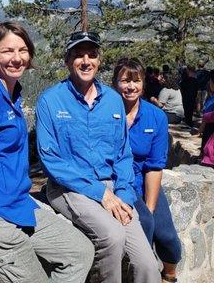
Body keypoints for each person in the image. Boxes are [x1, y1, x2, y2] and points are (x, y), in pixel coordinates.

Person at [0, 22, 94, 283]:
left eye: (23, 50)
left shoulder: (12, 93)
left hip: (17, 204)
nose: (17, 58)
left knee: (80, 252)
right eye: (7, 51)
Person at [36, 31, 159, 283]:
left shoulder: (113, 101)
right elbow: (51, 160)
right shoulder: (50, 101)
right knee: (111, 235)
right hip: (69, 187)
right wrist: (101, 194)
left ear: (99, 61)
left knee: (147, 264)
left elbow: (124, 154)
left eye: (91, 55)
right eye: (78, 55)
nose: (85, 60)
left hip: (113, 188)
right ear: (67, 61)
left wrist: (123, 195)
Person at [112, 58, 182, 283]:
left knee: (167, 236)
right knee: (145, 224)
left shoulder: (155, 116)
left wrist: (151, 207)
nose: (131, 87)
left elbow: (154, 165)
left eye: (136, 81)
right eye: (125, 81)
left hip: (144, 179)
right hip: (118, 181)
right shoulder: (105, 112)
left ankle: (169, 274)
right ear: (115, 83)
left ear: (143, 83)